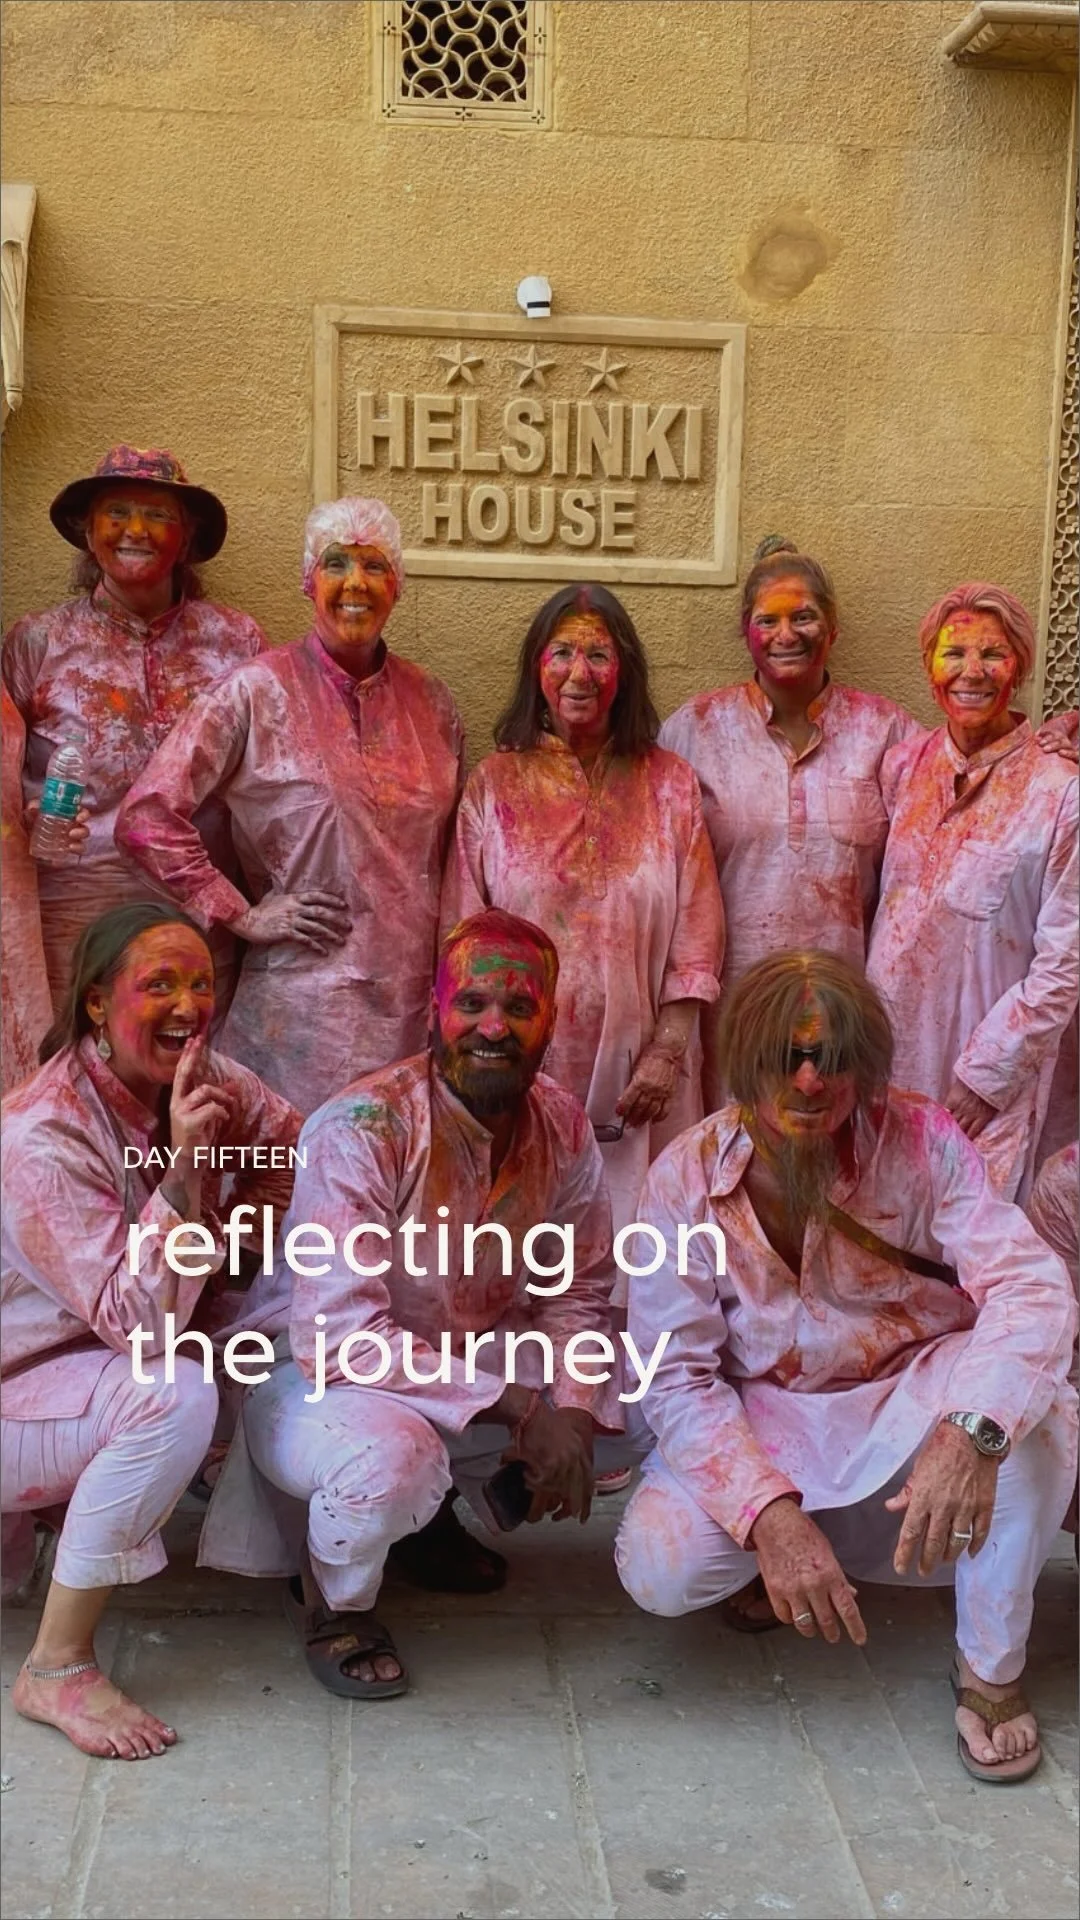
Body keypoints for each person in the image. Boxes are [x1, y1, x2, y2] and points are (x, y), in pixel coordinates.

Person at [615, 949, 1076, 1785]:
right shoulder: (683, 1174)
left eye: (830, 1059)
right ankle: (803, 1545)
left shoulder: (923, 1138)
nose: (808, 1081)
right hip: (772, 1410)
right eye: (784, 1056)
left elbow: (1030, 1286)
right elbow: (675, 1377)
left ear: (862, 1067)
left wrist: (971, 1431)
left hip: (915, 1387)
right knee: (663, 1568)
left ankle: (990, 1671)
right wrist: (768, 1517)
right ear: (742, 1061)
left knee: (1034, 1435)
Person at [198, 909, 641, 1698]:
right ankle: (332, 1600)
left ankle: (425, 1525)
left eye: (518, 1006)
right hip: (312, 1373)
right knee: (390, 1462)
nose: (493, 1027)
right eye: (471, 1003)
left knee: (647, 1396)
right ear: (435, 1014)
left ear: (550, 1022)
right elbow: (341, 1339)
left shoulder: (563, 1124)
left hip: (463, 1350)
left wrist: (572, 1415)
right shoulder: (362, 1126)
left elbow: (578, 1286)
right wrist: (523, 1409)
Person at [1, 904, 301, 1760]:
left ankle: (298, 1564)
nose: (187, 1004)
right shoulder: (41, 1135)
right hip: (23, 1387)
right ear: (97, 1003)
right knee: (172, 1394)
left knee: (309, 1311)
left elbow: (292, 1145)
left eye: (200, 982)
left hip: (91, 1365)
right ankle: (55, 1665)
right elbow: (140, 1326)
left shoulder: (200, 1077)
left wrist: (233, 1242)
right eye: (159, 984)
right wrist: (188, 1173)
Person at [659, 538, 1076, 1108]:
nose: (786, 634)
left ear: (832, 628)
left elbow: (976, 771)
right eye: (768, 620)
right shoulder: (693, 729)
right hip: (734, 1011)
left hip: (849, 1019)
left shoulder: (889, 736)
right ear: (745, 631)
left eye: (804, 617)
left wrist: (1059, 742)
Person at [116, 498, 464, 1115]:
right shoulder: (257, 691)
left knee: (393, 1168)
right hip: (298, 1020)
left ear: (397, 587)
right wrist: (242, 913)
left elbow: (452, 860)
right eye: (336, 563)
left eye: (375, 566)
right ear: (309, 580)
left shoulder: (433, 704)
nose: (355, 583)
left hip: (413, 1013)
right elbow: (147, 818)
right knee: (284, 1170)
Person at [444, 582, 724, 1238]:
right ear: (535, 668)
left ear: (624, 672)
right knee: (529, 1249)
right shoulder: (495, 784)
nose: (580, 673)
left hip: (644, 1073)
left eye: (599, 655)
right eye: (562, 653)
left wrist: (668, 1052)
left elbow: (697, 935)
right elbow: (461, 939)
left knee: (642, 1248)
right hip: (520, 1062)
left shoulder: (670, 784)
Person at [2, 445, 266, 1014]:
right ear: (88, 530)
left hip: (198, 920)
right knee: (77, 1060)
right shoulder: (36, 642)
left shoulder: (237, 642)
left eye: (158, 515)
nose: (136, 530)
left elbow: (267, 783)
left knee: (186, 1060)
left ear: (187, 538)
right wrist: (27, 817)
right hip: (73, 926)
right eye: (117, 512)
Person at [867, 583, 1078, 1201]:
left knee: (970, 1233)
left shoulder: (1059, 791)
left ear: (1021, 666)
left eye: (993, 654)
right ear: (928, 664)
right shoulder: (903, 766)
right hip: (888, 1058)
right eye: (954, 653)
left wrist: (989, 1075)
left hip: (987, 1080)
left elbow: (1064, 965)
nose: (972, 672)